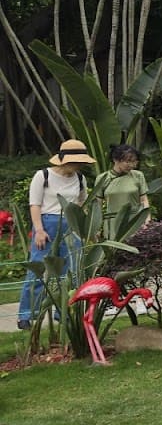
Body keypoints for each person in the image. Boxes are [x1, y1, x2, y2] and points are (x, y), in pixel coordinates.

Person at [17, 138, 95, 332]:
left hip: (72, 225)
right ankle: (26, 314)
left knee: (71, 271)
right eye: (76, 163)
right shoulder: (42, 176)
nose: (79, 166)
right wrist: (39, 230)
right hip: (47, 224)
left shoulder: (80, 179)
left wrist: (86, 229)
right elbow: (35, 204)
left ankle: (64, 312)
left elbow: (81, 204)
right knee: (38, 269)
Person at [95, 143, 150, 223]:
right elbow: (98, 205)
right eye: (128, 161)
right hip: (112, 223)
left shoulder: (138, 175)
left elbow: (144, 200)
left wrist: (147, 219)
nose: (131, 165)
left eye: (134, 161)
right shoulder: (102, 178)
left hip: (134, 221)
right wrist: (96, 225)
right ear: (115, 160)